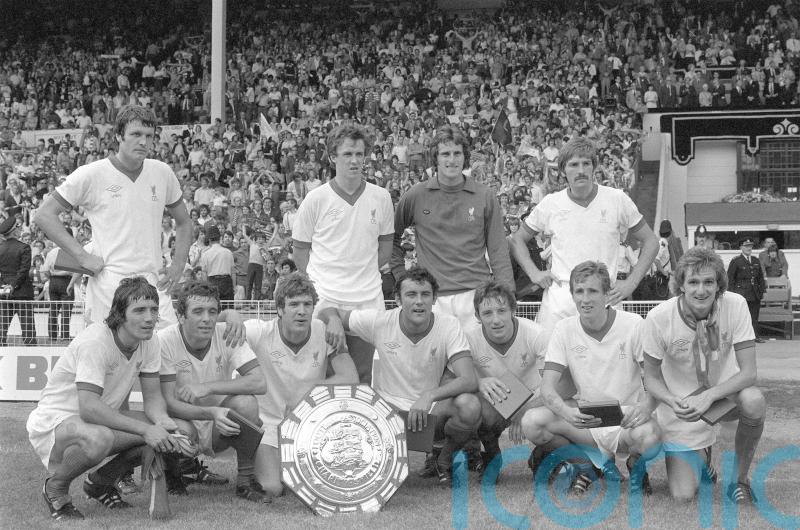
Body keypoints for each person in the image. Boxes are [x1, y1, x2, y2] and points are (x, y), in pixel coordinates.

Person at [26, 277, 182, 520]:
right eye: (139, 310)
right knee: (102, 437)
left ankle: (100, 482)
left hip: (98, 418)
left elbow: (153, 399)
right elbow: (88, 408)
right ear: (119, 314)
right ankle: (55, 488)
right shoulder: (96, 341)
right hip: (56, 421)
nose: (149, 318)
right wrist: (146, 429)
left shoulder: (149, 341)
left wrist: (163, 423)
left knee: (166, 432)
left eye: (153, 309)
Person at [319, 267, 481, 484]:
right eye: (411, 295)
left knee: (469, 405)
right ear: (397, 299)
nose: (419, 301)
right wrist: (334, 320)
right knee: (379, 477)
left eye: (425, 295)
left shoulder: (448, 325)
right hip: (390, 413)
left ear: (434, 299)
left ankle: (443, 457)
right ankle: (390, 453)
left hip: (431, 410)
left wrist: (429, 396)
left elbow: (468, 379)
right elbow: (326, 310)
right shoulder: (380, 321)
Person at [33, 105, 192, 327]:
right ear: (118, 136)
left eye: (149, 136)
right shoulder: (91, 174)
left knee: (165, 356)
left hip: (154, 285)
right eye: (136, 134)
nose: (144, 142)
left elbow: (184, 222)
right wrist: (81, 256)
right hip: (108, 287)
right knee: (108, 358)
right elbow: (44, 215)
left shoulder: (162, 172)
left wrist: (177, 265)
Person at [521, 261, 661, 495]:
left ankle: (636, 465)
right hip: (586, 419)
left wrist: (646, 406)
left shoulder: (634, 324)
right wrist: (568, 414)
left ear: (607, 294)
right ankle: (587, 466)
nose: (585, 299)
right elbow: (547, 389)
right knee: (532, 422)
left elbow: (655, 378)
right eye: (579, 291)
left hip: (625, 417)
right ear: (572, 295)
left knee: (651, 439)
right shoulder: (564, 329)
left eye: (593, 291)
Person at [643, 247, 766, 504]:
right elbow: (651, 377)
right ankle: (703, 459)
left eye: (709, 282)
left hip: (726, 396)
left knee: (754, 401)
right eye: (694, 282)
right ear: (681, 285)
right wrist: (671, 400)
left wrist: (710, 396)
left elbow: (749, 372)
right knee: (682, 495)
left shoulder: (736, 304)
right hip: (685, 408)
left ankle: (739, 481)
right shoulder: (658, 317)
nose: (701, 290)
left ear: (719, 285)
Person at [510, 137, 658, 333]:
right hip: (561, 300)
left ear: (594, 167)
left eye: (586, 163)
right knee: (553, 362)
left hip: (606, 297)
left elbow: (651, 241)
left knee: (607, 362)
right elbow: (517, 239)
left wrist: (632, 282)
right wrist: (534, 273)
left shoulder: (617, 199)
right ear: (563, 170)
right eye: (573, 164)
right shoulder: (550, 203)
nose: (580, 170)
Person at [292, 124, 394, 383]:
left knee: (361, 378)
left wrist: (362, 270)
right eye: (348, 154)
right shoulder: (315, 199)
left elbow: (385, 248)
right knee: (326, 377)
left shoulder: (381, 197)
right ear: (332, 157)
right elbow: (300, 252)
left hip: (366, 299)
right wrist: (320, 288)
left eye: (360, 154)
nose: (355, 160)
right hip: (326, 298)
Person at [244, 273, 359, 496]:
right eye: (294, 304)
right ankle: (255, 461)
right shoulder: (259, 331)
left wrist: (308, 396)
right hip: (268, 425)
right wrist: (229, 316)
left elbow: (350, 377)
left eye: (307, 304)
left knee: (327, 484)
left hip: (309, 425)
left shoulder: (324, 332)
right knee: (272, 488)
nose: (302, 311)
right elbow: (219, 328)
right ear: (280, 309)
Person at [158, 281, 270, 502]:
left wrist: (207, 387)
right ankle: (174, 472)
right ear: (181, 316)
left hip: (218, 427)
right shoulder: (165, 341)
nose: (207, 318)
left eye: (212, 311)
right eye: (197, 312)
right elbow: (168, 404)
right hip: (183, 421)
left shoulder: (227, 333)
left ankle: (245, 481)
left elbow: (259, 382)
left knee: (246, 404)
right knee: (176, 426)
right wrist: (212, 412)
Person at [391, 125, 513, 327]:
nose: (452, 159)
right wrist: (402, 278)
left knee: (477, 359)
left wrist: (507, 293)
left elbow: (498, 249)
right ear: (435, 158)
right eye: (445, 153)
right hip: (432, 298)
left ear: (465, 157)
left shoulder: (485, 195)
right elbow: (391, 238)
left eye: (457, 153)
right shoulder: (416, 195)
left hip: (476, 296)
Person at [464, 281, 552, 472]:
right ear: (477, 316)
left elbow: (554, 386)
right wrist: (478, 382)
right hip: (498, 398)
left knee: (556, 411)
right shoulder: (468, 339)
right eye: (487, 313)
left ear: (513, 310)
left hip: (535, 397)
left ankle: (543, 456)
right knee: (472, 406)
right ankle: (491, 456)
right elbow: (455, 378)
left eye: (502, 310)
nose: (496, 320)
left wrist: (523, 410)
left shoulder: (537, 335)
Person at [0, 216, 36, 345]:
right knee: (28, 329)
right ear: (15, 230)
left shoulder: (1, 248)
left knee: (2, 328)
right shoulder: (24, 248)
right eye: (19, 227)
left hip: (4, 292)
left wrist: (5, 286)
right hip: (22, 292)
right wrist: (13, 286)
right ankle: (32, 355)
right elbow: (23, 270)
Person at [727, 238, 766, 343]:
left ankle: (755, 336)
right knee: (740, 317)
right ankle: (740, 337)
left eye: (750, 246)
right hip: (741, 293)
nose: (749, 248)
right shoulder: (736, 261)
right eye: (746, 246)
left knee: (754, 316)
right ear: (741, 247)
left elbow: (760, 278)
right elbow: (730, 279)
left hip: (754, 293)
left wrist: (761, 292)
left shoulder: (755, 260)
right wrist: (731, 295)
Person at [41, 243, 74, 341]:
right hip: (66, 281)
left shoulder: (52, 252)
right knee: (66, 310)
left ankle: (52, 335)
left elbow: (45, 270)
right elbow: (74, 270)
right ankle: (64, 335)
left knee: (53, 309)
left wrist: (52, 275)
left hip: (53, 281)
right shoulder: (70, 251)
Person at [196, 225, 235, 306]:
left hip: (212, 282)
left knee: (213, 309)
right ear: (220, 238)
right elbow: (233, 272)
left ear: (209, 239)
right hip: (227, 282)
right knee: (228, 309)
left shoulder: (205, 254)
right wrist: (233, 288)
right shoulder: (228, 252)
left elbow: (204, 274)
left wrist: (205, 288)